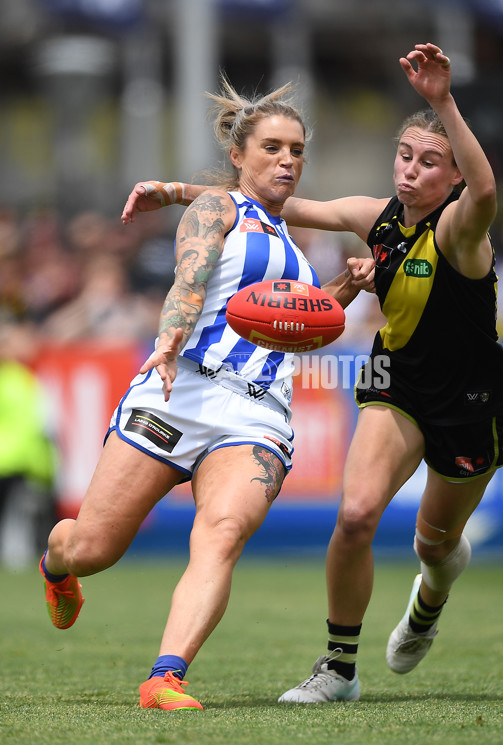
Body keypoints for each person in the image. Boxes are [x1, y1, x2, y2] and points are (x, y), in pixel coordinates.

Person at [122, 42, 503, 704]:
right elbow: (273, 204)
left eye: (429, 163)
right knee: (357, 513)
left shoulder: (461, 228)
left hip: (472, 399)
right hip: (398, 381)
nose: (412, 172)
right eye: (405, 156)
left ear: (451, 179)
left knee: (435, 542)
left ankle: (431, 595)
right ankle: (339, 667)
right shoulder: (376, 217)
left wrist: (442, 101)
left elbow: (486, 189)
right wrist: (176, 194)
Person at [39, 76, 367, 711]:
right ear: (239, 155)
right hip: (178, 389)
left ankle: (165, 678)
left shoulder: (294, 249)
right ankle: (57, 564)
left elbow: (299, 325)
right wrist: (166, 342)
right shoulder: (216, 209)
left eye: (297, 150)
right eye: (273, 147)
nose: (288, 160)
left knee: (220, 533)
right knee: (93, 548)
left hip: (257, 413)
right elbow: (188, 280)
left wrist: (344, 289)